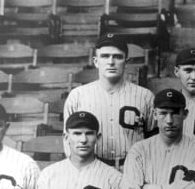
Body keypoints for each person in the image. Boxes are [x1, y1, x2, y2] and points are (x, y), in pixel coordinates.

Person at [63, 34, 155, 167]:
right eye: (105, 56)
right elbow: (68, 140)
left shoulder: (145, 96)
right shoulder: (77, 96)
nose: (111, 62)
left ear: (126, 62)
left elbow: (154, 140)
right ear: (95, 61)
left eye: (117, 57)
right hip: (93, 170)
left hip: (133, 169)